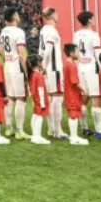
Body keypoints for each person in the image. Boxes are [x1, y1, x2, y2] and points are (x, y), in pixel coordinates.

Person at [0, 8, 29, 139]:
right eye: (17, 14)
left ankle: (9, 129)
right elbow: (22, 54)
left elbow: (1, 49)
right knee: (21, 98)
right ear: (15, 17)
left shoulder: (4, 31)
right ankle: (19, 131)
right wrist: (27, 71)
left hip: (8, 66)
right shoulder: (19, 32)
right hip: (17, 67)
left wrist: (7, 60)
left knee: (10, 98)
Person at [38, 8, 66, 140]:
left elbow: (41, 51)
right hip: (54, 68)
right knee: (58, 98)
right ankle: (58, 130)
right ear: (53, 16)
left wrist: (41, 66)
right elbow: (48, 50)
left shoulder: (43, 30)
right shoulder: (52, 31)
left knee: (50, 98)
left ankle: (51, 128)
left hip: (47, 69)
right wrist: (44, 65)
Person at [74, 11, 101, 138]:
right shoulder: (94, 35)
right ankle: (99, 131)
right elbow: (98, 54)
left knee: (84, 97)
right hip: (92, 68)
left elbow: (75, 54)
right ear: (90, 20)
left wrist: (77, 67)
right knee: (96, 97)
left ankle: (85, 128)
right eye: (93, 18)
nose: (95, 20)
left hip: (81, 67)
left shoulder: (76, 35)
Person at [61, 44, 89, 145]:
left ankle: (74, 136)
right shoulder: (71, 65)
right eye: (77, 52)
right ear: (71, 53)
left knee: (73, 115)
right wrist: (84, 90)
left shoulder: (67, 63)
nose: (79, 54)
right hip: (72, 94)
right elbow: (75, 82)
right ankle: (74, 137)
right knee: (73, 115)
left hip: (69, 93)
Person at [27, 54, 49, 144]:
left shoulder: (32, 74)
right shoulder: (38, 75)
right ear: (38, 63)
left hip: (35, 98)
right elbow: (40, 89)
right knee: (39, 117)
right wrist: (43, 103)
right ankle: (37, 136)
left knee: (35, 115)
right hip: (40, 99)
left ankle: (34, 135)